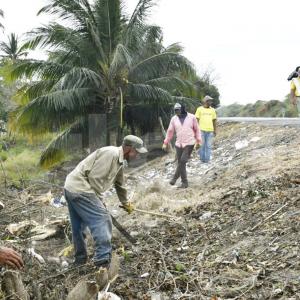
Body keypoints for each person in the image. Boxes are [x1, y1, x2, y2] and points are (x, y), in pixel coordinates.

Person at [64, 135, 147, 268]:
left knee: (78, 226)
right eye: (136, 152)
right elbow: (94, 178)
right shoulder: (111, 154)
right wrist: (99, 201)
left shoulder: (119, 160)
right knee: (102, 218)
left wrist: (125, 203)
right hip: (81, 188)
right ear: (128, 149)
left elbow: (120, 184)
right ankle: (102, 259)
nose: (137, 155)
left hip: (72, 187)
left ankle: (80, 260)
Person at [162, 103, 201, 188]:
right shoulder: (174, 119)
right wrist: (165, 142)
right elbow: (170, 131)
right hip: (178, 144)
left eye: (178, 109)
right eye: (175, 110)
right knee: (181, 163)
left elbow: (197, 129)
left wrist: (198, 141)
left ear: (183, 109)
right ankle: (184, 183)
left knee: (183, 161)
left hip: (190, 143)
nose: (177, 112)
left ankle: (175, 178)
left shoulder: (192, 117)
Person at [195, 95, 217, 163]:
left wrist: (215, 130)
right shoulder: (199, 109)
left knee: (208, 146)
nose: (211, 102)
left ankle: (207, 160)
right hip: (201, 130)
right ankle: (202, 160)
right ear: (206, 101)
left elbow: (214, 120)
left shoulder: (212, 110)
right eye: (209, 101)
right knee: (202, 146)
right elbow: (196, 120)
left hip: (210, 131)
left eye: (211, 101)